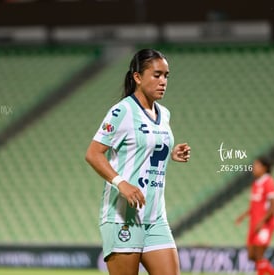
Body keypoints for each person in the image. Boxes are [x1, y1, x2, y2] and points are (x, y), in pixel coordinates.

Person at [85, 49, 191, 275]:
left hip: (156, 217)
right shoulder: (122, 111)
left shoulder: (165, 114)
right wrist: (121, 183)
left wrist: (171, 153)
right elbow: (93, 154)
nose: (163, 81)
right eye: (157, 75)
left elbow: (148, 148)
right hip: (123, 217)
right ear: (137, 77)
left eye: (166, 76)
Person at [235, 157, 274, 275]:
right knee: (251, 255)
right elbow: (255, 206)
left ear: (264, 168)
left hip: (265, 224)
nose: (253, 168)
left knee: (258, 254)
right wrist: (243, 216)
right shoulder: (255, 183)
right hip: (254, 223)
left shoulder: (269, 182)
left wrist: (262, 222)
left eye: (257, 165)